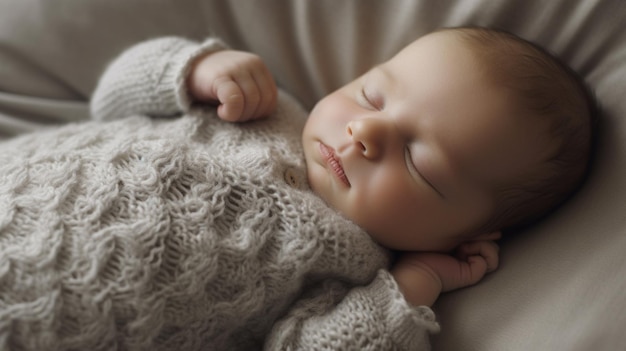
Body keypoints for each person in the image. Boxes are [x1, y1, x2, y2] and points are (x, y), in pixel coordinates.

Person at [0, 27, 594, 350]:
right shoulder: (260, 104)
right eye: (372, 95)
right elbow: (112, 101)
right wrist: (190, 70)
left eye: (419, 161)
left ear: (467, 232)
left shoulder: (352, 271)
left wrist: (417, 286)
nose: (366, 133)